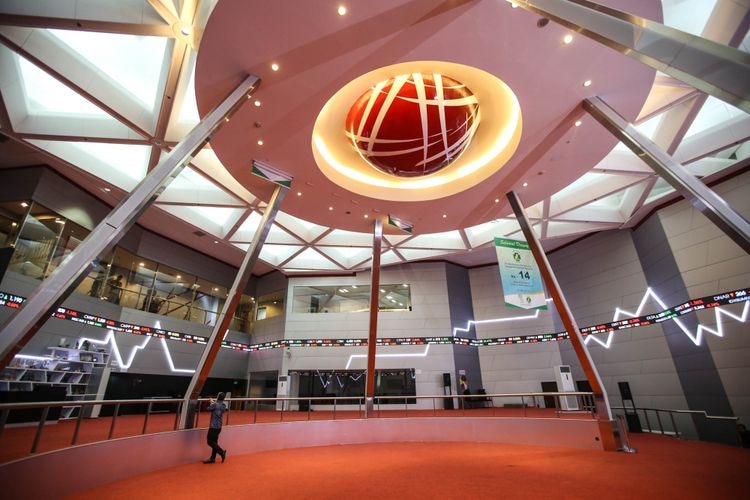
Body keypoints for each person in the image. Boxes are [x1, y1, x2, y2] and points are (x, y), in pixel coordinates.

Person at [204, 392, 228, 464]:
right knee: (214, 442)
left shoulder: (215, 405)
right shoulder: (223, 405)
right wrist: (213, 402)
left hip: (213, 426)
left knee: (210, 442)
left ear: (217, 397)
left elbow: (208, 408)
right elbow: (217, 405)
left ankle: (221, 452)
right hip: (219, 426)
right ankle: (212, 458)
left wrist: (211, 402)